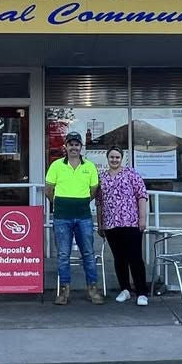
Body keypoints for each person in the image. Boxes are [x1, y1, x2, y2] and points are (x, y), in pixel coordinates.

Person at [45, 131, 104, 305]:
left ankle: (93, 290)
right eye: (70, 144)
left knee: (88, 253)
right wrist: (58, 204)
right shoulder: (56, 165)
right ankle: (64, 291)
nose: (73, 147)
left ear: (81, 147)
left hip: (83, 217)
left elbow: (94, 190)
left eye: (76, 144)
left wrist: (81, 201)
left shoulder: (90, 166)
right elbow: (49, 190)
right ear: (65, 146)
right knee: (63, 255)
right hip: (62, 217)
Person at [96, 146, 149, 306]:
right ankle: (124, 289)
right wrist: (100, 224)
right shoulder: (102, 177)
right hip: (111, 224)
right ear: (107, 158)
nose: (114, 160)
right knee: (119, 258)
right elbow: (99, 202)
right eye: (111, 157)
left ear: (122, 158)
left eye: (117, 157)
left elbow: (142, 195)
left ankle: (141, 292)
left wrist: (142, 219)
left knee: (135, 258)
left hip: (131, 222)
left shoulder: (131, 174)